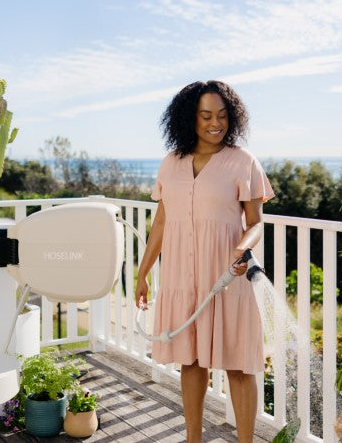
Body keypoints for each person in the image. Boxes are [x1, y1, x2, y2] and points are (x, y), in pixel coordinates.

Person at [135, 80, 274, 443]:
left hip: (228, 276)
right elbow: (162, 223)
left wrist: (242, 247)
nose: (216, 123)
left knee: (239, 366)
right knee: (191, 361)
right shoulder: (171, 163)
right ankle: (192, 439)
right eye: (206, 115)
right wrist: (143, 273)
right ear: (188, 118)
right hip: (183, 277)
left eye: (223, 116)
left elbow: (256, 223)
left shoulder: (244, 162)